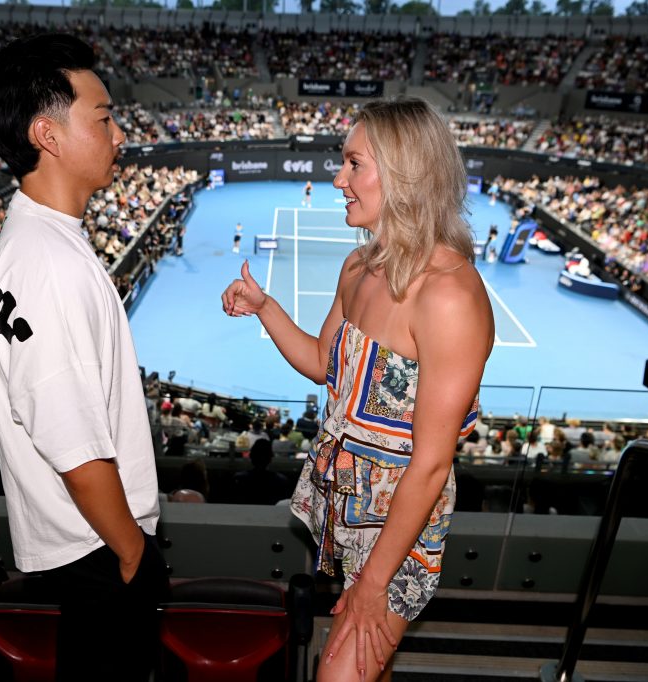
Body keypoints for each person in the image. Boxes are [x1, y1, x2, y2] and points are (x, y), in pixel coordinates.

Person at [221, 97, 494, 682]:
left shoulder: (451, 297)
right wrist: (265, 308)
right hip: (346, 508)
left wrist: (373, 585)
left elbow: (430, 463)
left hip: (401, 531)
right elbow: (324, 364)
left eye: (353, 164)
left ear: (405, 173)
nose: (338, 179)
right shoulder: (357, 267)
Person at [0, 33, 166, 682]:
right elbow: (75, 449)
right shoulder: (50, 266)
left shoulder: (33, 236)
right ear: (47, 135)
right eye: (104, 117)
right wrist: (133, 553)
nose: (120, 135)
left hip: (82, 542)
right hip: (98, 546)